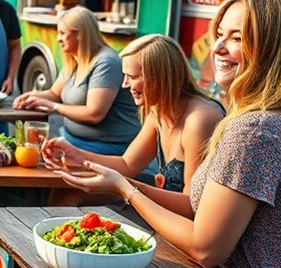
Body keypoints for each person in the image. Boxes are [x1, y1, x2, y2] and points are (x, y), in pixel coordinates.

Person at [44, 0, 281, 268]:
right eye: (220, 34)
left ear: (273, 48)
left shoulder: (254, 129)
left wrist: (124, 189)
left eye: (238, 38)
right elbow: (197, 204)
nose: (220, 48)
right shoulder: (260, 119)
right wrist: (104, 174)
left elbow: (207, 249)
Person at [43, 34, 224, 199]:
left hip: (184, 224)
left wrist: (125, 188)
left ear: (160, 77)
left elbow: (191, 206)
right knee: (65, 191)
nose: (124, 85)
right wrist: (78, 155)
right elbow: (127, 165)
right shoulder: (158, 110)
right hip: (168, 214)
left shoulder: (199, 120)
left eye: (132, 76)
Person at [13, 6, 140, 155]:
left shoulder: (106, 63)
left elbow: (94, 114)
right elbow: (54, 93)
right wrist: (30, 97)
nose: (58, 39)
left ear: (79, 35)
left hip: (105, 147)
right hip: (71, 139)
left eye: (62, 33)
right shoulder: (74, 59)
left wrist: (53, 106)